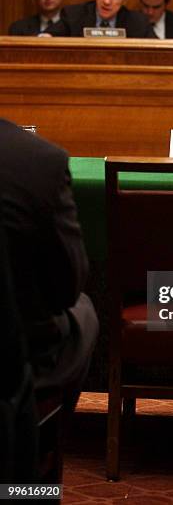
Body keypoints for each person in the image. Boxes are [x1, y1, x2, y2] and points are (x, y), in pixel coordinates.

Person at [0, 118, 98, 413]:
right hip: (13, 354)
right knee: (84, 312)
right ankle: (40, 443)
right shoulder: (38, 161)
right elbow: (66, 290)